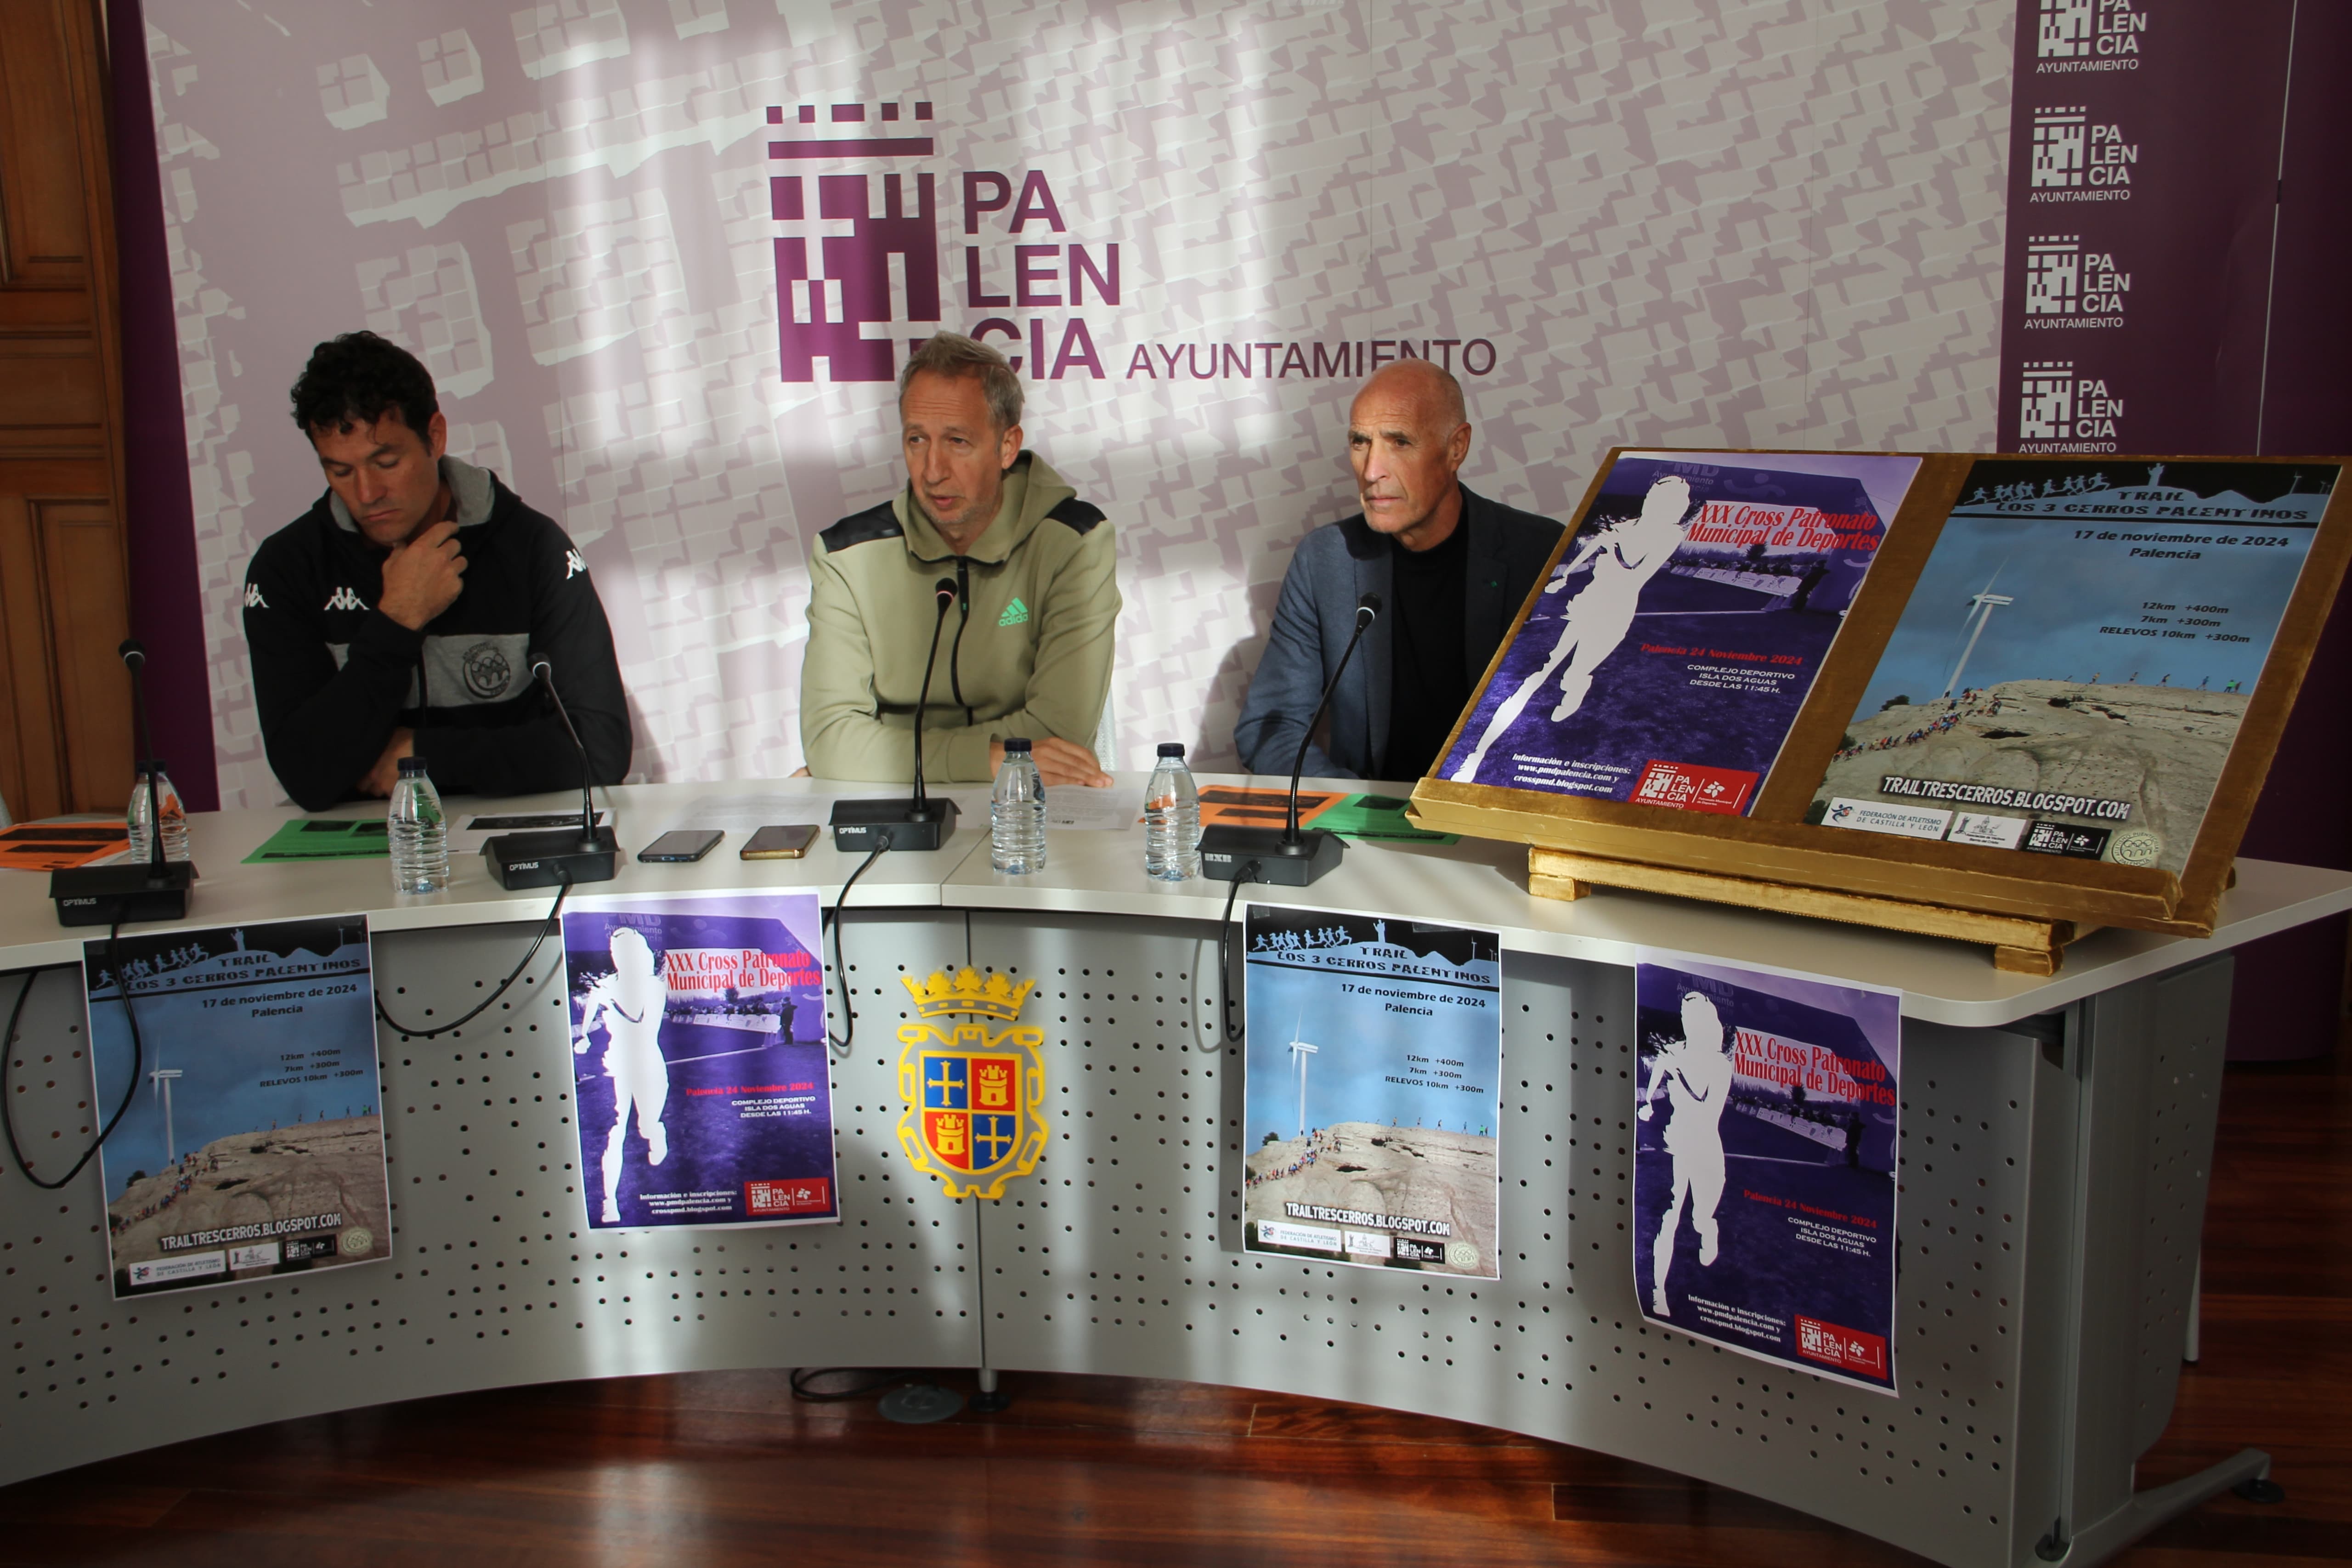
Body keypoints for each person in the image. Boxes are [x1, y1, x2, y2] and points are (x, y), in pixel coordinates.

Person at [242, 332, 630, 811]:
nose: (367, 493)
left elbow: (602, 746)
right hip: (362, 847)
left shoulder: (533, 547)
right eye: (340, 471)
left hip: (511, 837)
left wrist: (422, 757)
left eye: (386, 462)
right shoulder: (286, 567)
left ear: (436, 436)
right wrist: (397, 620)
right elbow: (305, 773)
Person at [802, 333, 1118, 786]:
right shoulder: (846, 555)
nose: (933, 471)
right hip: (896, 805)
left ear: (1007, 447)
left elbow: (1058, 734)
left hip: (1027, 805)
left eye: (957, 441)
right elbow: (829, 739)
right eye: (917, 439)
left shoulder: (1074, 542)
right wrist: (987, 759)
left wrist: (876, 753)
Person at [1233, 359, 1562, 781]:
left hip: (1496, 813)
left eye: (1400, 442)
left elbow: (1580, 723)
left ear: (1456, 448)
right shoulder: (1326, 560)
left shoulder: (1542, 554)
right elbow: (1270, 726)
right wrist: (1359, 805)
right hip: (1367, 815)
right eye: (1360, 442)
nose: (1372, 471)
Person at [1448, 473, 1692, 781]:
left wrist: (1615, 547)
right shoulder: (1627, 525)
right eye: (1651, 496)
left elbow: (1638, 574)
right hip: (1586, 602)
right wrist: (1565, 574)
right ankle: (1473, 758)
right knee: (1537, 675)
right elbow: (1593, 548)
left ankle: (1576, 685)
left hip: (1615, 613)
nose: (1650, 502)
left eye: (1660, 500)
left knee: (1576, 672)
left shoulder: (1669, 535)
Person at [1639, 991, 1736, 1318]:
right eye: (1684, 1017)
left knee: (1700, 1217)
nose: (1686, 1023)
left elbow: (1709, 1112)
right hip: (1677, 1143)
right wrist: (1648, 1102)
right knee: (1669, 1216)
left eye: (1693, 1018)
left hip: (1706, 1146)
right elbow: (1658, 1070)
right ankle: (1658, 1292)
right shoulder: (1675, 1052)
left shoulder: (1719, 1064)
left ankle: (1709, 1229)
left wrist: (1679, 1071)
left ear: (1705, 1022)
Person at [574, 926, 671, 1225]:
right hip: (617, 1064)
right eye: (615, 951)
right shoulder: (606, 984)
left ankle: (655, 1132)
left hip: (648, 1063)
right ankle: (610, 1203)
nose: (618, 956)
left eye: (625, 951)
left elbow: (644, 1024)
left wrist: (612, 1001)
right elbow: (592, 1008)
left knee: (646, 1124)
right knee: (616, 1131)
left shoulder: (653, 986)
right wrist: (584, 1035)